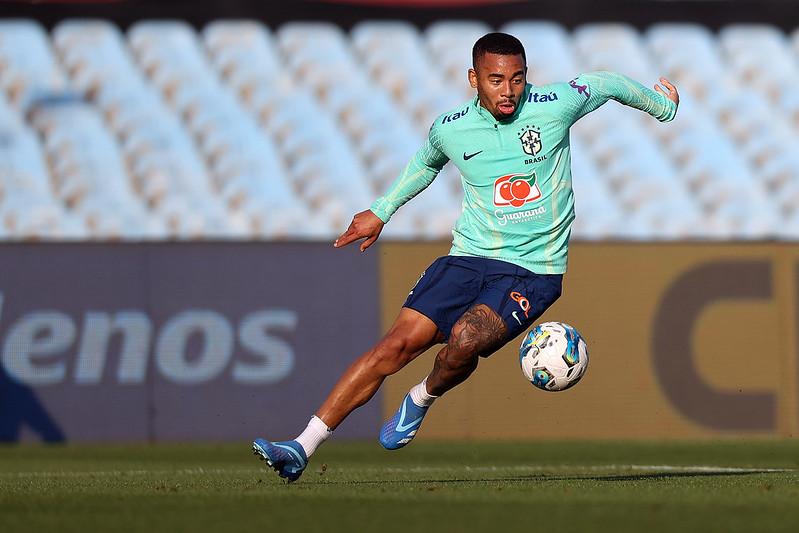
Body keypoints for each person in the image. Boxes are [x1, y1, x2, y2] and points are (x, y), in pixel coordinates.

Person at [253, 32, 679, 482]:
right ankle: (301, 446)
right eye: (496, 80)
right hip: (468, 258)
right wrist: (380, 212)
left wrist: (661, 106)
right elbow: (425, 163)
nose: (509, 91)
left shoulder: (554, 105)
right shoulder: (451, 127)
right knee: (393, 347)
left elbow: (606, 82)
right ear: (473, 79)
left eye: (517, 79)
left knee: (466, 338)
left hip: (535, 271)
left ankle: (423, 396)